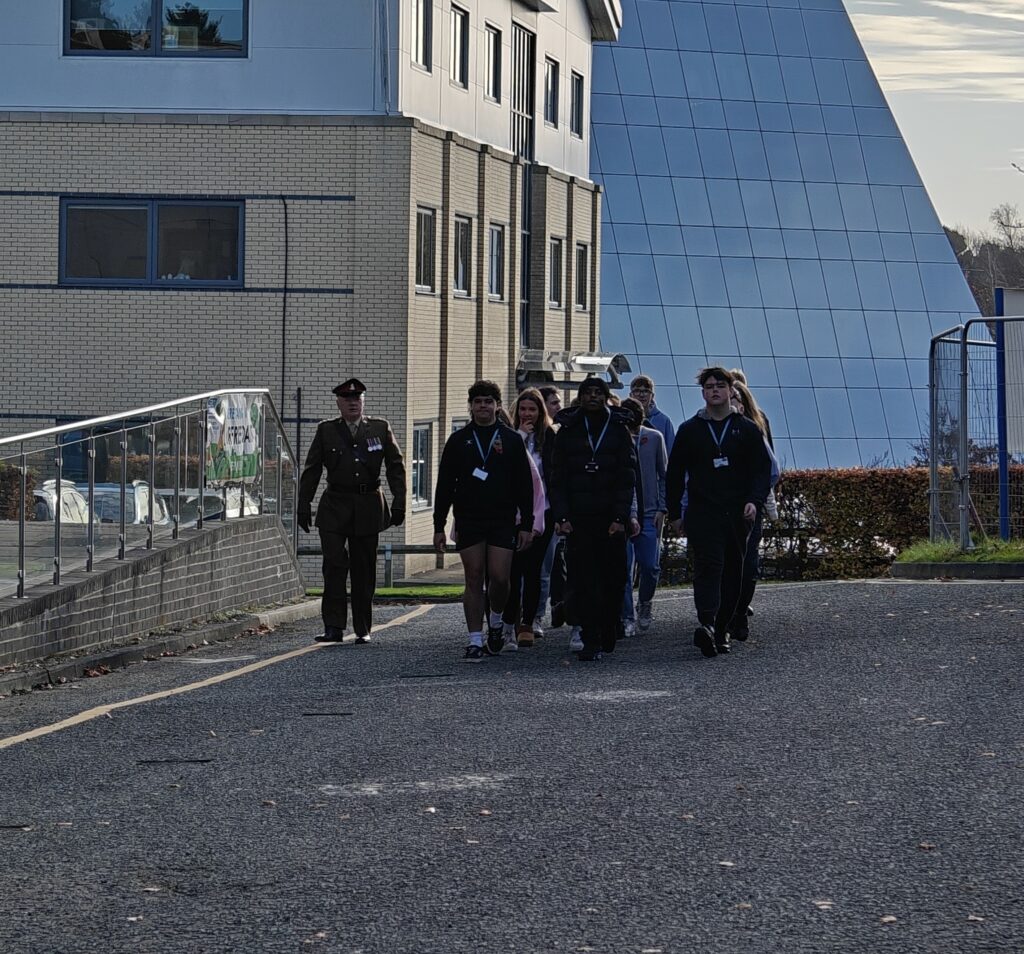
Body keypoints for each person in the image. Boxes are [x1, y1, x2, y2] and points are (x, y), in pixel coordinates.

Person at [666, 367, 771, 658]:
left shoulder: (746, 429)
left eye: (720, 386)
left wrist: (754, 500)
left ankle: (723, 627)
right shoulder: (690, 430)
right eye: (709, 386)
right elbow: (674, 473)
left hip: (737, 514)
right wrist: (675, 512)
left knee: (734, 571)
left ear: (730, 391)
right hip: (703, 512)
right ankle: (707, 623)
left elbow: (762, 471)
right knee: (707, 568)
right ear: (703, 393)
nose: (714, 390)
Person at [298, 378, 406, 644]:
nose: (353, 404)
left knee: (363, 568)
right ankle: (334, 626)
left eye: (357, 399)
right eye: (347, 400)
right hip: (335, 505)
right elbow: (312, 470)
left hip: (368, 505)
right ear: (339, 403)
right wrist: (303, 505)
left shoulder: (379, 428)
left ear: (363, 402)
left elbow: (396, 466)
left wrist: (399, 502)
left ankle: (362, 627)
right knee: (334, 565)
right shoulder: (327, 431)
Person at [433, 380, 535, 661]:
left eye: (488, 401)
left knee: (500, 578)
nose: (483, 406)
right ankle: (475, 639)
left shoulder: (512, 440)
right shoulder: (458, 440)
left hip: (503, 518)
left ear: (497, 405)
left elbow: (525, 485)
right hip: (469, 518)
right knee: (474, 576)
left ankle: (498, 619)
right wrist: (438, 526)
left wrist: (527, 523)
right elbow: (444, 486)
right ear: (471, 406)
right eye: (477, 402)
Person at [549, 376, 637, 661]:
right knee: (583, 579)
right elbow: (557, 478)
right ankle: (590, 636)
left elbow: (627, 477)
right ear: (580, 397)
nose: (593, 398)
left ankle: (610, 624)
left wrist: (621, 517)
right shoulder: (568, 430)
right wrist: (562, 515)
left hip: (610, 518)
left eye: (598, 393)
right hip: (578, 517)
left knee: (613, 578)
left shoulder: (619, 430)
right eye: (587, 393)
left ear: (607, 396)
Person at [501, 388, 555, 648]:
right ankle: (508, 623)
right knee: (512, 572)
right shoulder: (510, 438)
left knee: (534, 571)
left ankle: (529, 621)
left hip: (542, 513)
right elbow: (509, 466)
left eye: (532, 409)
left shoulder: (550, 439)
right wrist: (521, 435)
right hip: (514, 514)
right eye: (523, 409)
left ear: (540, 412)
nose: (527, 414)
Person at [729, 380, 780, 642]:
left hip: (750, 505)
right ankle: (722, 615)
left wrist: (757, 498)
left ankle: (739, 613)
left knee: (748, 563)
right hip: (721, 506)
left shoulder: (755, 428)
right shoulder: (710, 428)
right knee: (725, 562)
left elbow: (769, 469)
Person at [620, 397, 667, 637]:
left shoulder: (654, 438)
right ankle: (627, 616)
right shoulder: (617, 439)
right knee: (623, 569)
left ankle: (645, 602)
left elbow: (663, 474)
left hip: (649, 514)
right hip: (623, 516)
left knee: (650, 566)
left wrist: (662, 507)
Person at [537, 385, 566, 632]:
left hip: (549, 510)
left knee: (547, 566)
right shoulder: (523, 437)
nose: (559, 406)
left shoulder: (556, 435)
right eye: (554, 402)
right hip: (525, 512)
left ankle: (537, 616)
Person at [629, 375, 675, 454]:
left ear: (652, 396)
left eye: (646, 391)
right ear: (630, 395)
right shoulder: (624, 419)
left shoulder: (664, 421)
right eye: (637, 391)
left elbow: (671, 452)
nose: (642, 395)